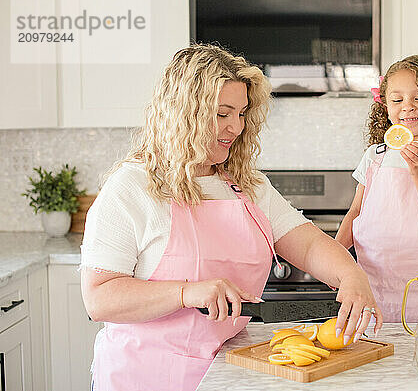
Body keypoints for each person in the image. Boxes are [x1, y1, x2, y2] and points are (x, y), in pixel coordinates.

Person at [80, 44, 382, 391]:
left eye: (241, 113)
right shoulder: (133, 186)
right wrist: (185, 293)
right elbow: (99, 298)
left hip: (230, 370)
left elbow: (308, 243)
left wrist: (351, 275)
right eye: (223, 114)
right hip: (147, 376)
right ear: (183, 113)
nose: (236, 127)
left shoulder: (246, 184)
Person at [335, 55, 418, 323]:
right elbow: (356, 210)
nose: (407, 107)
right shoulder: (376, 154)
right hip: (372, 278)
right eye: (397, 100)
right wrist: (336, 259)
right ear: (385, 105)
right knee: (375, 347)